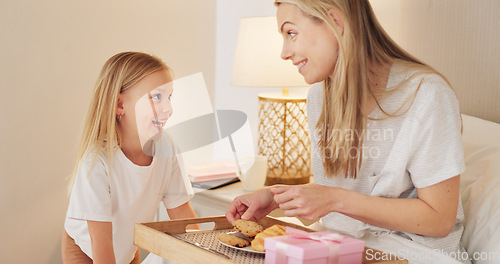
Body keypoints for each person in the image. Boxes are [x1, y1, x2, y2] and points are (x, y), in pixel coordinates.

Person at [226, 1, 469, 263]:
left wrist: (335, 199)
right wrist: (276, 197)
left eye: (291, 33)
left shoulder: (425, 94)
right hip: (338, 245)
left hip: (412, 255)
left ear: (336, 23)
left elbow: (439, 218)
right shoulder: (320, 97)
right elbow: (329, 198)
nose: (284, 53)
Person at [62, 51, 197, 264]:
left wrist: (201, 255)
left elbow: (181, 213)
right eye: (157, 97)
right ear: (119, 105)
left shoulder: (166, 148)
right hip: (86, 249)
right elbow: (101, 241)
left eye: (169, 97)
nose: (168, 108)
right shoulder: (97, 161)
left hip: (126, 245)